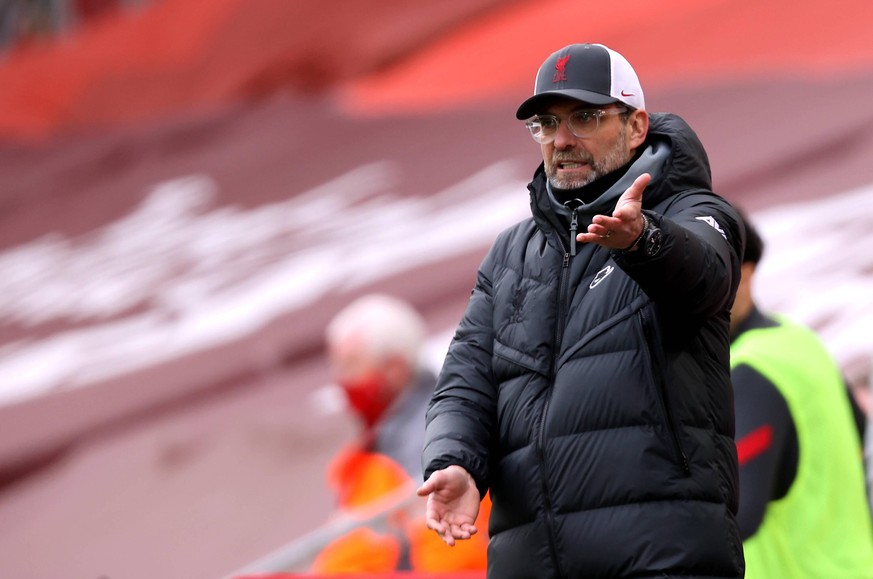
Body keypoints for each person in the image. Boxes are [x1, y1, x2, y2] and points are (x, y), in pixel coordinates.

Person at [417, 43, 746, 578]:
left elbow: (706, 279)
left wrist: (645, 242)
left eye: (585, 117)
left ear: (636, 125)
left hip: (662, 559)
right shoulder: (511, 253)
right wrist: (455, 460)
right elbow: (465, 381)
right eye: (547, 123)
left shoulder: (691, 211)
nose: (562, 140)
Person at [730, 214, 873, 578]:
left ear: (746, 272)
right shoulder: (798, 340)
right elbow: (859, 436)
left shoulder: (749, 369)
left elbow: (737, 518)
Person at [311, 293, 489, 573]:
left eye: (351, 364)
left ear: (394, 368)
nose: (342, 380)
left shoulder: (434, 434)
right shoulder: (387, 443)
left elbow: (451, 553)